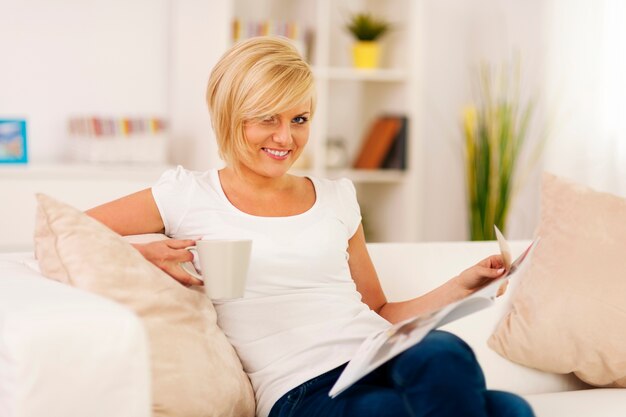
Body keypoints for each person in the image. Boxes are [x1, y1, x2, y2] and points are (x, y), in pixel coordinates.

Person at [86, 36, 535, 417]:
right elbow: (63, 231)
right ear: (229, 115)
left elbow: (378, 310)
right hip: (299, 389)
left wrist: (464, 283)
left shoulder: (338, 197)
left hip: (376, 353)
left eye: (299, 119)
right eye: (268, 119)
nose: (287, 138)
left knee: (446, 353)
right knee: (498, 410)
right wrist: (140, 253)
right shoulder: (188, 194)